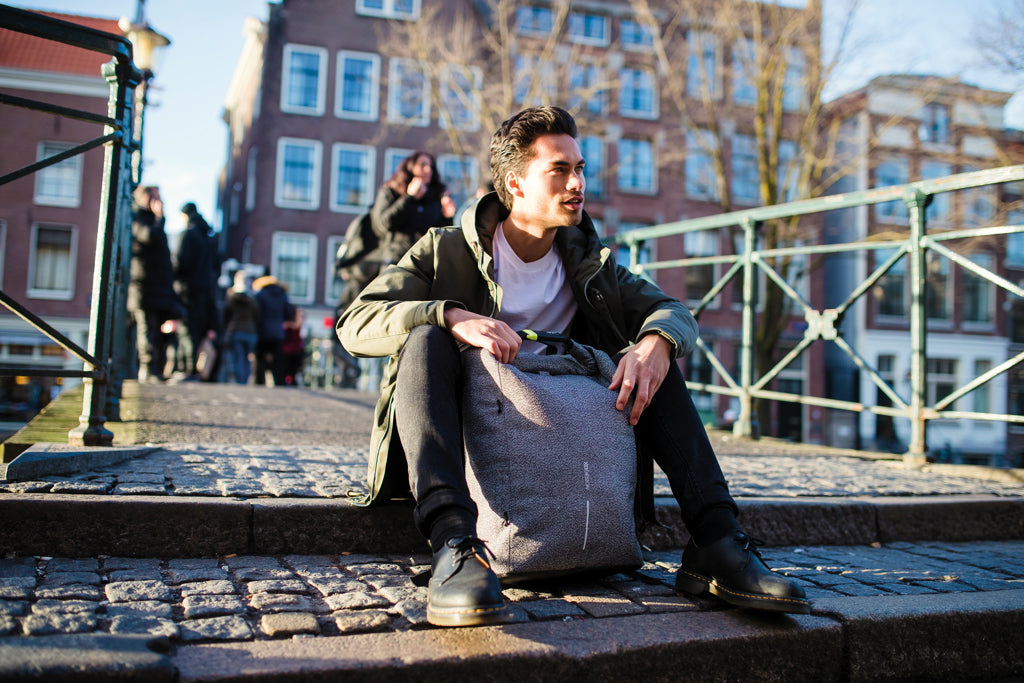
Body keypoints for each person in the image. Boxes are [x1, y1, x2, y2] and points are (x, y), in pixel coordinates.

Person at [339, 106, 809, 627]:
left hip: (567, 432)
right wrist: (451, 315)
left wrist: (656, 342)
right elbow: (355, 321)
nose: (577, 183)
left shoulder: (591, 263)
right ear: (515, 183)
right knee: (425, 337)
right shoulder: (445, 250)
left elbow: (674, 311)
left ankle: (717, 541)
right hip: (473, 439)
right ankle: (454, 545)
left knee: (652, 354)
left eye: (580, 168)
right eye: (559, 170)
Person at [127, 185, 182, 383]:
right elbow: (149, 237)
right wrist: (160, 218)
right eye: (156, 199)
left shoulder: (153, 222)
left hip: (158, 288)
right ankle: (146, 369)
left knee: (156, 331)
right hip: (143, 286)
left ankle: (155, 369)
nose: (161, 203)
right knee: (146, 329)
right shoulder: (137, 219)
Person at [371, 151, 453, 267]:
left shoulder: (435, 197)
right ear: (410, 167)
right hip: (396, 261)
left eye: (431, 167)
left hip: (425, 264)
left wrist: (447, 217)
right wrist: (409, 198)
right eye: (422, 165)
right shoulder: (391, 192)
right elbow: (383, 224)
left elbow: (440, 235)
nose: (428, 170)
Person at [173, 202, 221, 379]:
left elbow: (181, 262)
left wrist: (177, 283)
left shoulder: (188, 234)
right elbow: (217, 265)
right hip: (206, 292)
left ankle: (187, 369)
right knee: (199, 330)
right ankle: (193, 370)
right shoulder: (209, 238)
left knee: (187, 329)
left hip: (188, 290)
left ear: (185, 215)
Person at [222, 270, 260, 384]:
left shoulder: (231, 298)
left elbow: (226, 315)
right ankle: (244, 380)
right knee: (246, 358)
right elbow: (257, 316)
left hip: (237, 331)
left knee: (238, 358)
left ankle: (240, 381)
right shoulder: (253, 300)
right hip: (250, 332)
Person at [252, 274, 291, 386]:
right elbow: (288, 313)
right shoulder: (282, 294)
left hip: (263, 331)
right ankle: (279, 383)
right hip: (278, 332)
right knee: (277, 360)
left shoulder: (260, 294)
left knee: (260, 359)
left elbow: (257, 313)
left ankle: (259, 382)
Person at [282, 306, 307, 386]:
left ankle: (292, 380)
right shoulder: (287, 323)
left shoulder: (298, 323)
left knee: (294, 367)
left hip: (296, 349)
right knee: (288, 367)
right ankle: (288, 380)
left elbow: (298, 326)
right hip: (289, 348)